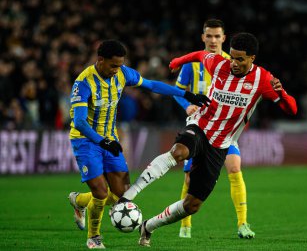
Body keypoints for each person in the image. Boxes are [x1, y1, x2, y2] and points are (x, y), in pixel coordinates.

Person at [119, 32, 297, 247]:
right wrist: (178, 61)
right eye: (232, 56)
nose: (234, 63)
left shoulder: (263, 79)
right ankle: (128, 196)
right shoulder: (219, 64)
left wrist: (283, 95)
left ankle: (148, 226)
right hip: (200, 126)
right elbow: (199, 54)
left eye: (240, 59)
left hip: (222, 144)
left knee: (192, 205)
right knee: (178, 152)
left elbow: (292, 109)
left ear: (252, 59)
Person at [67, 39, 210, 249]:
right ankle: (94, 237)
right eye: (113, 65)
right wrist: (102, 141)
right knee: (100, 192)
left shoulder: (123, 73)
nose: (117, 70)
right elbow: (79, 121)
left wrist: (186, 94)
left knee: (119, 197)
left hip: (110, 140)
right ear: (100, 60)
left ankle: (79, 201)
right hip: (86, 141)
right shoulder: (83, 83)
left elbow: (152, 85)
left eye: (120, 65)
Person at [173, 19, 254, 239]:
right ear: (203, 37)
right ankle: (185, 226)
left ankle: (243, 224)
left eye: (217, 36)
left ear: (224, 39)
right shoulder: (193, 64)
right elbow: (177, 91)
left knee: (235, 168)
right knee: (190, 178)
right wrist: (187, 105)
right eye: (209, 36)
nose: (213, 40)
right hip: (201, 126)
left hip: (225, 130)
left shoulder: (234, 62)